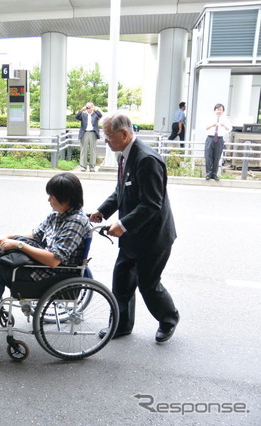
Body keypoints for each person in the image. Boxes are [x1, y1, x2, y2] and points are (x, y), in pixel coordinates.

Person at [0, 173, 91, 338]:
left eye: (52, 196)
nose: (49, 200)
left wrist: (19, 245)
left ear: (66, 199)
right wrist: (7, 238)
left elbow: (53, 260)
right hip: (40, 264)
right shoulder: (57, 216)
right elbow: (36, 235)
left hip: (52, 274)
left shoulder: (75, 222)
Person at [90, 112, 180, 343]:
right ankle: (121, 325)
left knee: (148, 284)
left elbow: (151, 204)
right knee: (121, 280)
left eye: (108, 136)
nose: (105, 140)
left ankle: (169, 319)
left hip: (153, 237)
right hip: (132, 235)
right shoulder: (125, 155)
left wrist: (123, 224)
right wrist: (102, 212)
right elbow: (121, 191)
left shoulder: (146, 159)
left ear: (124, 134)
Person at [204, 103, 231, 181]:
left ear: (223, 111)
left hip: (219, 139)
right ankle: (208, 173)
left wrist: (223, 125)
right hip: (210, 138)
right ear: (214, 110)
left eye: (221, 110)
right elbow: (205, 127)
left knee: (217, 157)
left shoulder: (225, 120)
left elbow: (229, 129)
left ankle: (214, 174)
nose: (219, 111)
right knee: (208, 157)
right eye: (217, 109)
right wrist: (213, 125)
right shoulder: (209, 118)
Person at [75, 102, 103, 172]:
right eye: (87, 107)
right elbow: (77, 117)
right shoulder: (83, 115)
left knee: (92, 151)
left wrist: (96, 110)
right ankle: (83, 166)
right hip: (84, 133)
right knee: (83, 150)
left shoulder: (95, 115)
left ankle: (92, 166)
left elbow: (100, 116)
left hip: (93, 133)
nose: (88, 108)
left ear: (92, 107)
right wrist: (82, 110)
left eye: (90, 107)